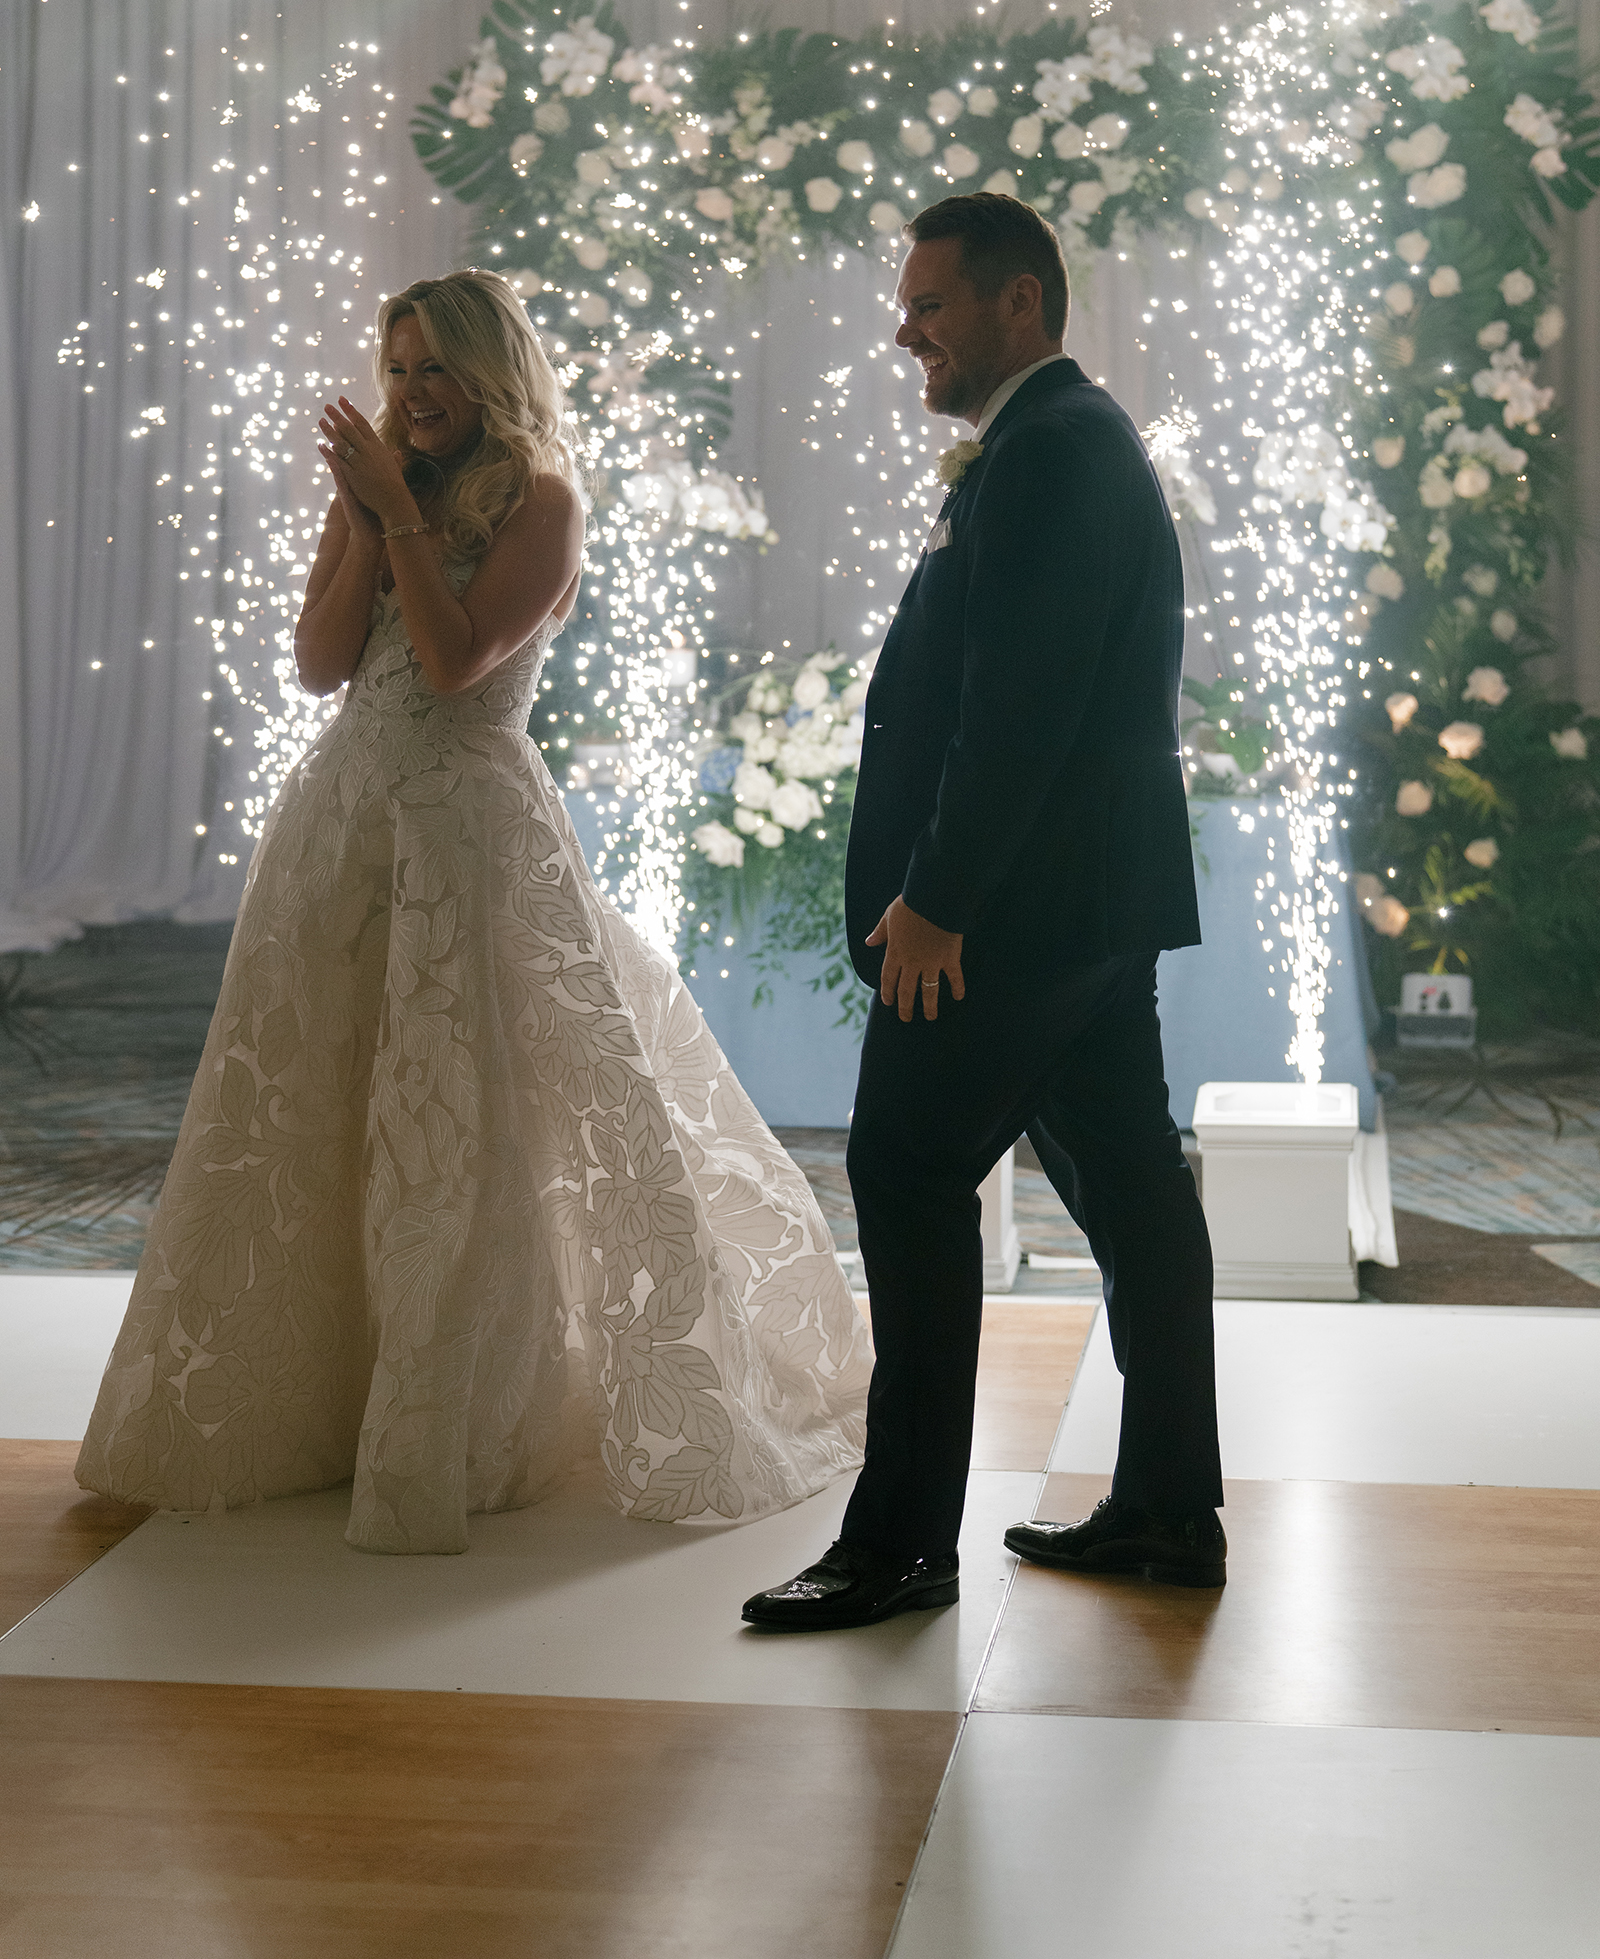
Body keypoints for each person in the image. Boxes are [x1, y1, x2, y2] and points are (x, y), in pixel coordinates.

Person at [78, 269, 870, 1555]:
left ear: (490, 372)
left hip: (468, 830)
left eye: (435, 368)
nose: (412, 393)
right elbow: (321, 666)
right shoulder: (381, 485)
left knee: (461, 1109)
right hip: (345, 822)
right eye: (397, 370)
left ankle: (459, 1410)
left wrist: (395, 516)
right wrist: (362, 522)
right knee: (319, 1098)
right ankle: (316, 1404)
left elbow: (454, 667)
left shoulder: (543, 498)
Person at [742, 193, 1222, 1634]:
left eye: (930, 304)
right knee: (1132, 1185)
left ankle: (898, 1544)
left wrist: (939, 899)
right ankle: (1166, 1509)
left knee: (901, 1167)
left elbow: (1019, 710)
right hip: (1083, 904)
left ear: (1020, 302)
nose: (907, 331)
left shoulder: (1052, 450)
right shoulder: (1060, 440)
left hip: (1014, 913)